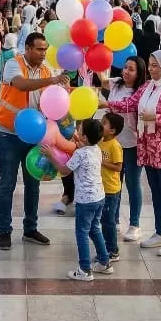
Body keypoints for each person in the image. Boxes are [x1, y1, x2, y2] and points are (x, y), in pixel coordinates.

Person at [104, 49, 161, 257]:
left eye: (155, 66)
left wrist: (156, 117)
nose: (151, 69)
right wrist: (106, 104)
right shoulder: (149, 86)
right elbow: (130, 104)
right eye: (150, 65)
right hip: (150, 149)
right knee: (157, 193)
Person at [0, 32, 63, 250]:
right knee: (7, 184)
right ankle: (5, 231)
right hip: (9, 133)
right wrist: (52, 80)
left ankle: (30, 229)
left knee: (33, 183)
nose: (44, 54)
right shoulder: (13, 65)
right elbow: (22, 85)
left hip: (35, 136)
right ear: (27, 49)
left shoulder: (45, 69)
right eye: (40, 49)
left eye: (45, 49)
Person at [56, 118, 113, 282]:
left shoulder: (79, 153)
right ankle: (104, 262)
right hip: (99, 197)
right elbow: (84, 150)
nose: (77, 131)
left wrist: (51, 155)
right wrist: (78, 140)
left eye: (79, 130)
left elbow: (64, 170)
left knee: (81, 233)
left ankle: (85, 270)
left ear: (85, 137)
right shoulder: (96, 149)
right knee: (95, 228)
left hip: (85, 200)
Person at [103, 57, 147, 242]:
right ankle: (114, 221)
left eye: (131, 69)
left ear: (139, 73)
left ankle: (134, 224)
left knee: (132, 183)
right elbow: (103, 80)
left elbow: (127, 106)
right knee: (114, 183)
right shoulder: (116, 84)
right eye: (125, 68)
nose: (126, 72)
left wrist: (105, 105)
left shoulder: (142, 91)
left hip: (132, 144)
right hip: (114, 143)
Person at [97, 112, 125, 264]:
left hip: (111, 190)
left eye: (104, 122)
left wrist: (101, 161)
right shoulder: (100, 141)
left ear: (112, 130)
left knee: (109, 222)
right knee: (104, 221)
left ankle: (113, 251)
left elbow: (118, 167)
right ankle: (106, 248)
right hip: (100, 189)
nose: (100, 124)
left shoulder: (115, 145)